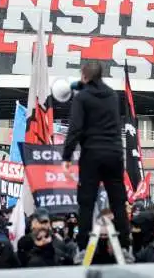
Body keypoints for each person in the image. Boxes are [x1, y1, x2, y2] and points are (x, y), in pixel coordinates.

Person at [61, 62, 130, 251]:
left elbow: (75, 129)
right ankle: (125, 244)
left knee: (87, 201)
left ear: (83, 75)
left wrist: (66, 156)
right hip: (115, 153)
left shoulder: (82, 98)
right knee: (118, 201)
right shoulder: (113, 96)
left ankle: (83, 246)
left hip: (92, 154)